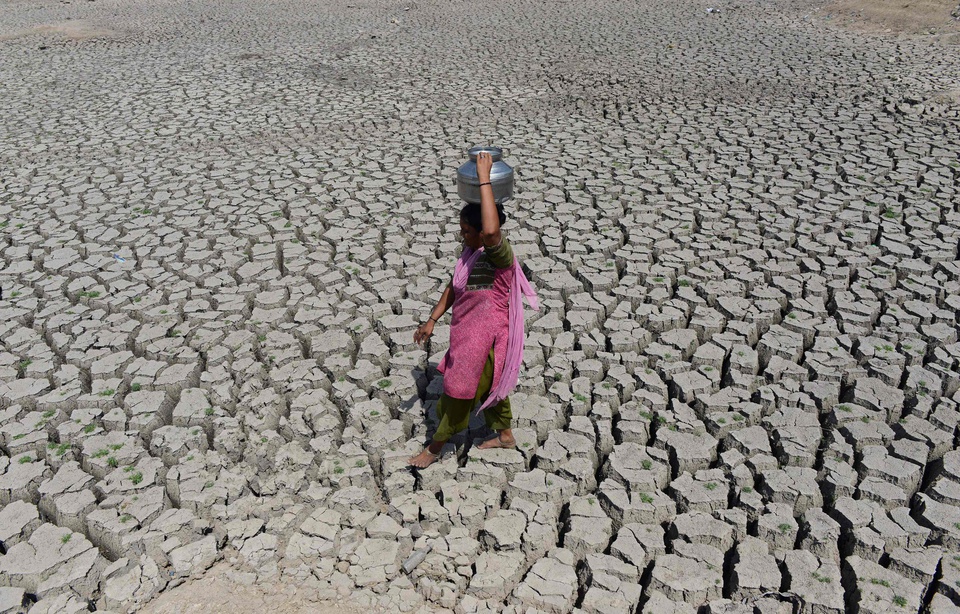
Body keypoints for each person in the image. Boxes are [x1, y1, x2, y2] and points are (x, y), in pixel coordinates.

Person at [408, 151, 538, 469]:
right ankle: (505, 435)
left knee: (458, 393)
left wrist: (483, 178)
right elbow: (455, 286)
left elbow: (493, 232)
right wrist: (432, 319)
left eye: (467, 231)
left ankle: (435, 447)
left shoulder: (499, 257)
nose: (462, 236)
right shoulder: (470, 253)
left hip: (487, 340)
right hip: (468, 336)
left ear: (482, 233)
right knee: (491, 387)